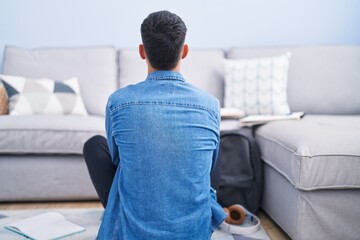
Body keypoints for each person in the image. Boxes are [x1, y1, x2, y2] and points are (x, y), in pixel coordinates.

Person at [83, 10, 226, 239]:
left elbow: (118, 159)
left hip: (134, 233)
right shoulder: (210, 105)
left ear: (142, 52)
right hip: (193, 233)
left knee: (95, 146)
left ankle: (129, 214)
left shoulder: (118, 102)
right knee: (214, 147)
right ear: (184, 51)